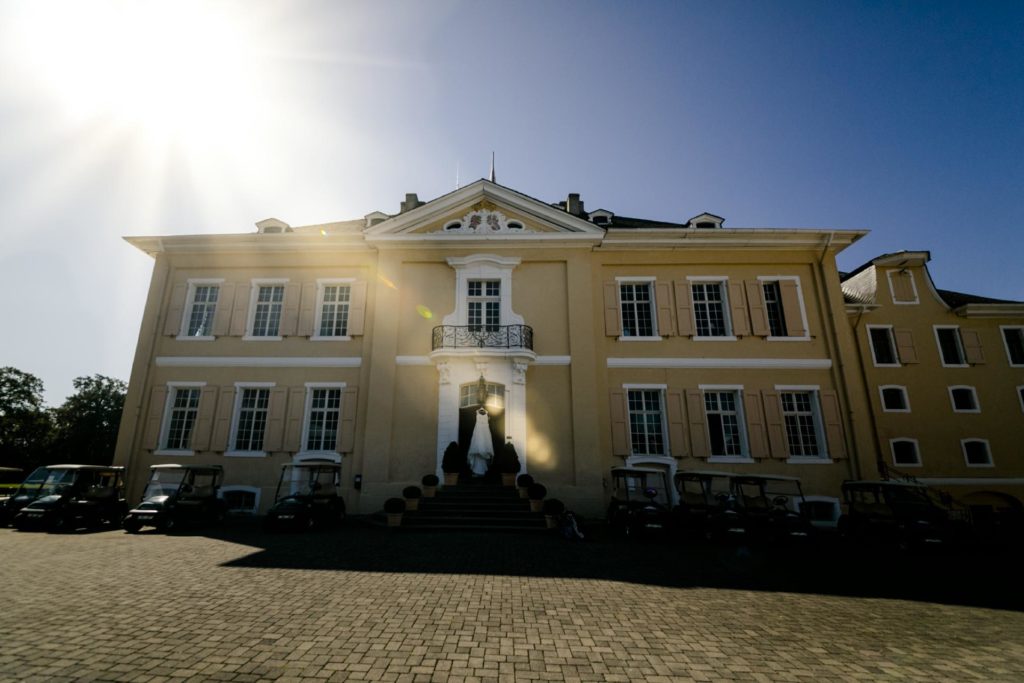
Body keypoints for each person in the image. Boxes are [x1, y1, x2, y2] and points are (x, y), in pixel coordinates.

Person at [467, 408, 493, 476]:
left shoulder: (486, 414)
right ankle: (477, 471)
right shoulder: (477, 413)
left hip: (485, 432)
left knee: (483, 446)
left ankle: (480, 471)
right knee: (478, 447)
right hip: (478, 432)